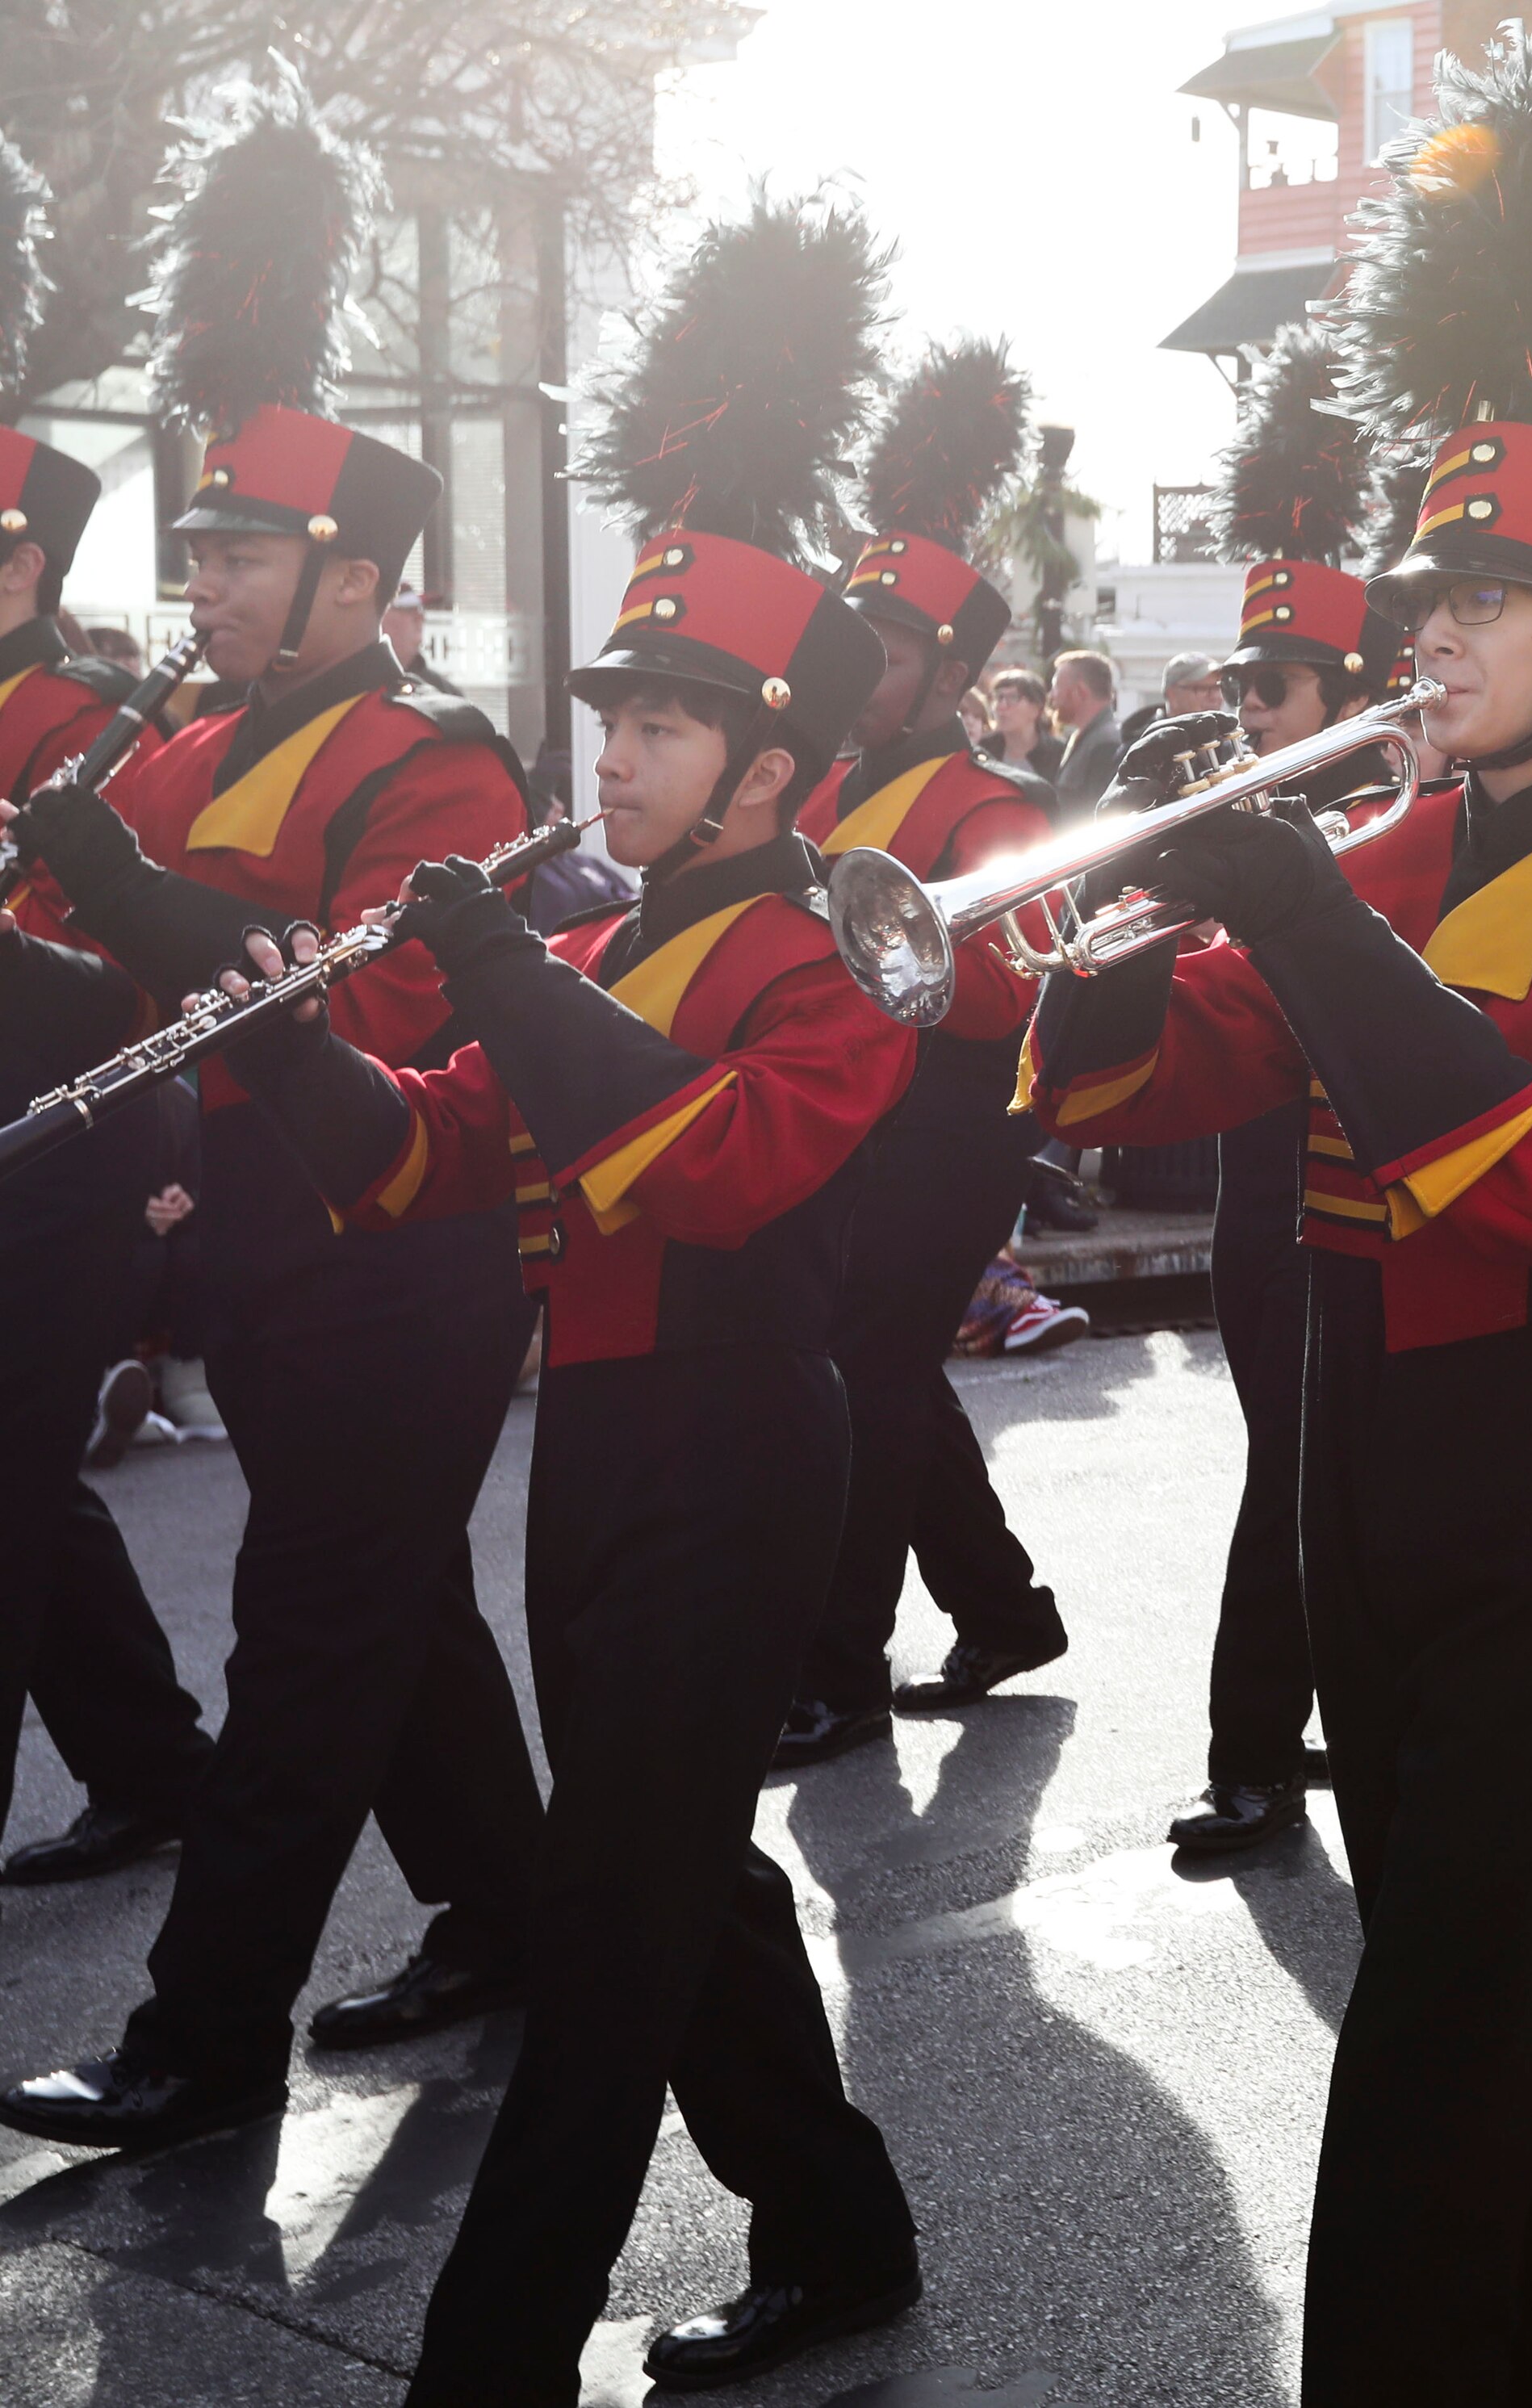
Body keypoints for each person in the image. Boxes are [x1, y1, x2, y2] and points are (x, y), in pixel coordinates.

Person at [1023, 36, 1532, 2395]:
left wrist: (1306, 917)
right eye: (1422, 599)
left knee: (1443, 2001)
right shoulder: (1378, 845)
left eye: (1481, 605)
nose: (1421, 641)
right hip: (1359, 1445)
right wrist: (1112, 931)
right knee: (1469, 1983)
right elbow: (1169, 1080)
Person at [216, 199, 925, 2396]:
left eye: (674, 725)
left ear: (775, 770)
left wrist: (512, 973)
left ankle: (490, 2350)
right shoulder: (602, 946)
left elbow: (705, 1167)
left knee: (607, 1924)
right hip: (598, 1448)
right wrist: (285, 1039)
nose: (613, 755)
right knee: (675, 1870)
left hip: (730, 1452)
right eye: (615, 713)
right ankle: (837, 2225)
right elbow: (439, 1144)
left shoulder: (829, 964)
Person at [0, 90, 547, 2155]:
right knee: (392, 1614)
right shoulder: (183, 742)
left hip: (389, 1260)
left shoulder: (443, 763)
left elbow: (377, 1010)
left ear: (353, 578)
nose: (200, 585)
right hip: (236, 1245)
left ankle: (196, 2036)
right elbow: (75, 970)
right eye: (201, 550)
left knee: (309, 1639)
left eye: (235, 555)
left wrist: (128, 896)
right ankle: (520, 1913)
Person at [775, 337, 1071, 1767]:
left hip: (951, 1113)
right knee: (882, 1362)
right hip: (849, 1110)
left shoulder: (991, 803)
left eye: (889, 653)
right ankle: (1005, 1609)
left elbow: (1008, 994)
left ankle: (837, 1663)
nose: (864, 673)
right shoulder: (824, 777)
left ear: (955, 667)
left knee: (863, 1366)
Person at [1157, 324, 1420, 1855]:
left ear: (1348, 687)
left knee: (1329, 1467)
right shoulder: (1234, 802)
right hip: (1261, 1171)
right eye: (1247, 678)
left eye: (1278, 681)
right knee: (1287, 1455)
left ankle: (1282, 1732)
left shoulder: (1401, 816)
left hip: (1371, 1171)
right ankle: (1270, 1733)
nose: (1249, 705)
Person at [0, 408, 220, 1888]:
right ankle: (150, 1759)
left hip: (67, 1127)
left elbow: (135, 958)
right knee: (20, 1475)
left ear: (34, 562)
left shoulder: (87, 718)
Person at [1049, 647, 1124, 814]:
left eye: (1055, 688)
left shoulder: (1107, 743)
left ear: (1079, 692)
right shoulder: (1087, 737)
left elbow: (1100, 813)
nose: (1052, 697)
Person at [986, 664, 1064, 779]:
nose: (1001, 706)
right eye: (998, 697)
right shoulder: (984, 750)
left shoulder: (1059, 754)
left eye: (1013, 698)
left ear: (1036, 708)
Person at [383, 581, 458, 693]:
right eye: (407, 610)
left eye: (420, 609)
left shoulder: (444, 692)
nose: (420, 618)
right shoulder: (355, 685)